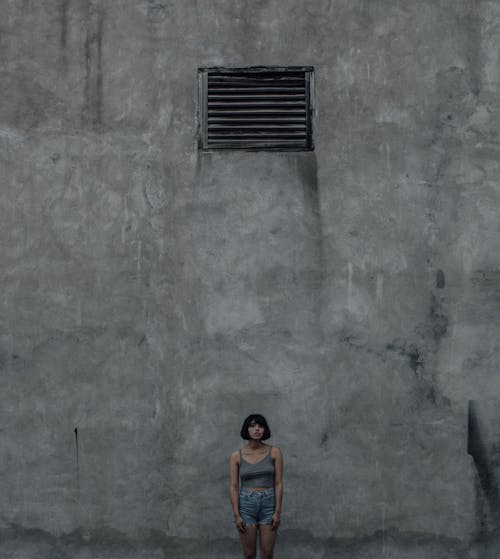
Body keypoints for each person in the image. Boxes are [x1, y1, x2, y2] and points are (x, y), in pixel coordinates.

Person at [229, 414, 283, 559]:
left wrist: (277, 512)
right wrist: (237, 515)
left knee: (267, 553)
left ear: (265, 429)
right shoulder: (236, 455)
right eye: (252, 426)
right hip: (246, 505)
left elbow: (278, 484)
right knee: (249, 554)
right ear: (246, 430)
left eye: (260, 426)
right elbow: (233, 486)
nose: (257, 429)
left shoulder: (275, 452)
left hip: (269, 504)